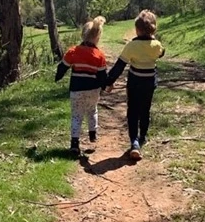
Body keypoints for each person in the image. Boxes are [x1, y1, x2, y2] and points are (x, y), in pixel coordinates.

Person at [106, 10, 165, 161]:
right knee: (145, 110)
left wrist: (108, 81)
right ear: (153, 29)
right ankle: (142, 136)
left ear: (137, 30)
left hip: (134, 83)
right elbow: (161, 53)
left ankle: (134, 142)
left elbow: (119, 66)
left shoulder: (131, 46)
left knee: (132, 111)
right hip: (149, 83)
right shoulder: (156, 45)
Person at [55, 17, 108, 155]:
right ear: (98, 37)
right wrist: (105, 86)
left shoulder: (73, 51)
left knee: (76, 116)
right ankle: (92, 133)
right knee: (92, 110)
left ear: (82, 35)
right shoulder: (99, 55)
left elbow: (62, 67)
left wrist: (58, 77)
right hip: (93, 90)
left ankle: (74, 143)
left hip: (76, 90)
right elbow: (102, 76)